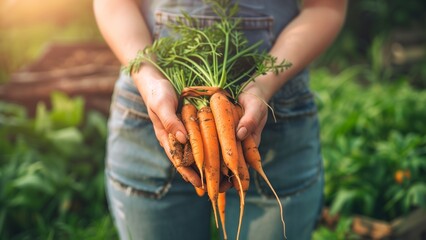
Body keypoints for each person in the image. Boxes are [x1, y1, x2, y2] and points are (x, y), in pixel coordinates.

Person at [93, 0, 347, 239]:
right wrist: (149, 80)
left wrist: (264, 83)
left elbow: (327, 7)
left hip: (276, 116)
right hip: (151, 114)